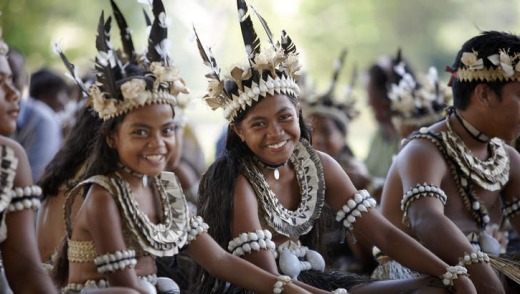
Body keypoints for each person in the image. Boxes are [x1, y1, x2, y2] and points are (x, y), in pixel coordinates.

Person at [193, 1, 476, 293]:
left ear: (299, 112)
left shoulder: (319, 165)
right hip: (267, 288)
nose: (275, 133)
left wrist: (451, 272)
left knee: (434, 287)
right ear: (238, 131)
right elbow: (272, 282)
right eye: (258, 124)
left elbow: (384, 235)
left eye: (284, 117)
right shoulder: (239, 182)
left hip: (317, 283)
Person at [51, 1, 312, 293]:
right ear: (112, 138)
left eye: (167, 131)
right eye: (140, 132)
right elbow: (125, 286)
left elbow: (219, 260)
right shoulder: (103, 197)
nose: (157, 143)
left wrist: (294, 290)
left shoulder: (164, 188)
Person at [377, 30, 520, 293]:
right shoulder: (424, 149)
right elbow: (427, 220)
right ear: (484, 94)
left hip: (483, 267)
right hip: (417, 271)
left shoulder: (508, 157)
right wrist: (486, 279)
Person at [303, 49, 375, 275]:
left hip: (349, 254)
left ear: (343, 136)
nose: (319, 139)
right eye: (312, 131)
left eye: (327, 131)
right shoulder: (303, 166)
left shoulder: (352, 170)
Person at [0, 30, 58, 294]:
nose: (13, 94)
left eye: (11, 80)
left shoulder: (10, 157)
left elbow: (24, 272)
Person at [363, 51, 410, 199]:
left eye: (371, 94)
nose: (368, 102)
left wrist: (368, 184)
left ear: (387, 96)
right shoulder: (380, 133)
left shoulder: (411, 136)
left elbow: (411, 191)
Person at [9, 60, 63, 182]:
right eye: (0, 81)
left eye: (12, 77)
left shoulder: (42, 121)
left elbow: (32, 184)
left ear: (24, 80)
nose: (11, 90)